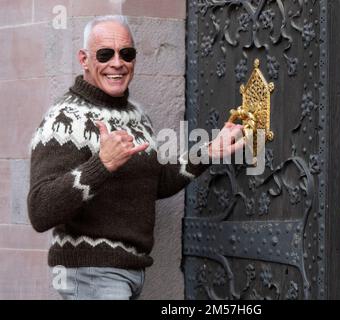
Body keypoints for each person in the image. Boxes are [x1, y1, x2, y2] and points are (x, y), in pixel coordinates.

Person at [27, 15, 245, 300]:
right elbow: (40, 210)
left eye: (126, 53)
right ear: (84, 59)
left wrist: (207, 153)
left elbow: (153, 183)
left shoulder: (137, 116)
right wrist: (101, 165)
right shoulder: (63, 117)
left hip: (131, 271)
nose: (117, 63)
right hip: (92, 273)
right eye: (105, 54)